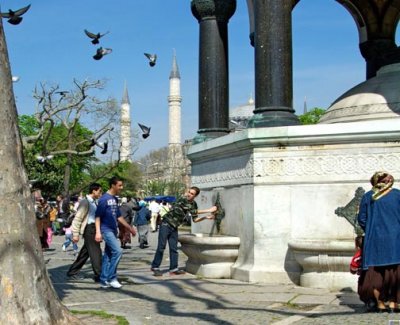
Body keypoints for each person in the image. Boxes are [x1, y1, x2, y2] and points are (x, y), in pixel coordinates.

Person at [357, 171, 400, 313]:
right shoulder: (397, 195)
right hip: (395, 239)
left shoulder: (368, 196)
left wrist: (371, 229)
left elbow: (362, 219)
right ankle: (394, 303)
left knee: (375, 273)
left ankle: (380, 304)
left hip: (374, 240)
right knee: (395, 272)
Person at [151, 186, 217, 276]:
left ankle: (173, 269)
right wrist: (209, 210)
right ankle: (155, 267)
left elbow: (195, 219)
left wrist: (206, 217)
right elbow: (192, 210)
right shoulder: (183, 199)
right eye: (189, 192)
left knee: (174, 248)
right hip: (166, 224)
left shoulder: (194, 204)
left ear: (195, 196)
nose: (189, 194)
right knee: (161, 247)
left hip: (174, 227)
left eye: (192, 194)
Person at [95, 176, 137, 289]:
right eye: (119, 185)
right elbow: (97, 217)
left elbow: (119, 216)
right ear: (113, 185)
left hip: (113, 230)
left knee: (108, 255)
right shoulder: (104, 199)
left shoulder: (114, 199)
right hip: (106, 230)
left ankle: (104, 280)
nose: (121, 187)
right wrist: (98, 232)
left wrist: (129, 228)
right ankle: (112, 277)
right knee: (118, 251)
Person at [67, 183, 103, 282]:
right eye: (99, 191)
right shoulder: (85, 202)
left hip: (94, 228)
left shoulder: (94, 202)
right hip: (89, 229)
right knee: (96, 253)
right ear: (94, 191)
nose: (100, 193)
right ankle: (99, 275)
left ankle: (72, 271)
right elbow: (77, 218)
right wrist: (75, 234)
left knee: (85, 253)